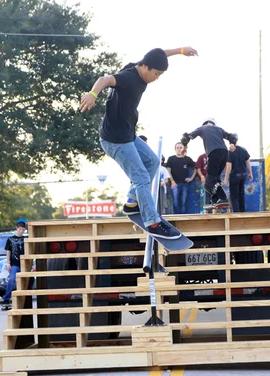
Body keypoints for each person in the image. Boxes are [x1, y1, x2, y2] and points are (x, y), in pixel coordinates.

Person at [80, 46, 198, 240]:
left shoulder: (141, 66)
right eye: (156, 73)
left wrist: (181, 50)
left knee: (152, 161)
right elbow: (105, 79)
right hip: (115, 141)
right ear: (145, 67)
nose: (157, 78)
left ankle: (132, 201)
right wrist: (93, 95)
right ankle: (152, 222)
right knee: (142, 177)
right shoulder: (128, 77)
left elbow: (159, 53)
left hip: (128, 135)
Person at [181, 118, 237, 206]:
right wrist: (232, 144)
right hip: (225, 154)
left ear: (205, 123)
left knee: (208, 183)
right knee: (216, 179)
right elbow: (232, 136)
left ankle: (223, 198)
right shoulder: (219, 129)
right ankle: (215, 200)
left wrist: (184, 144)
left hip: (214, 154)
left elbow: (186, 137)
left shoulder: (202, 128)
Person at [2, 219, 27, 308]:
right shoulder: (10, 239)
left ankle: (25, 298)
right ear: (17, 228)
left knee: (28, 280)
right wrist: (8, 263)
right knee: (12, 280)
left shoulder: (25, 239)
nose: (21, 231)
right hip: (14, 264)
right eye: (20, 229)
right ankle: (6, 298)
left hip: (24, 264)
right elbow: (8, 251)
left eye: (23, 230)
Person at [223, 136, 253, 212]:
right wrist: (250, 173)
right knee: (241, 195)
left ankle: (236, 214)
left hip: (234, 176)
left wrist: (225, 179)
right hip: (243, 175)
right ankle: (242, 213)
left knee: (234, 197)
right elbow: (248, 162)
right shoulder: (243, 150)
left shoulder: (229, 152)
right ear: (236, 140)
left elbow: (229, 166)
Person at [166, 142, 196, 214]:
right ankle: (176, 216)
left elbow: (196, 168)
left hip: (185, 183)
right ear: (175, 149)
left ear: (183, 149)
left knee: (183, 201)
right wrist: (172, 181)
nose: (179, 149)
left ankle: (183, 216)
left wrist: (191, 178)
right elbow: (168, 171)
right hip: (175, 183)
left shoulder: (187, 159)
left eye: (181, 147)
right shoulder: (171, 158)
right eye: (177, 148)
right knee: (175, 200)